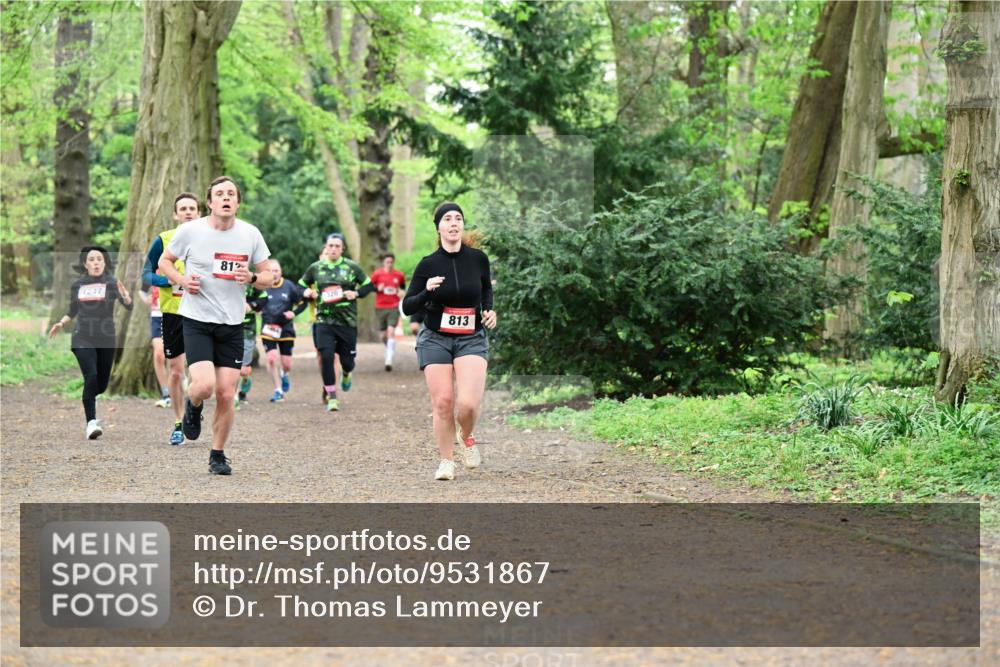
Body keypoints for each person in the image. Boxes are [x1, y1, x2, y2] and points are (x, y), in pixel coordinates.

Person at [158, 176, 273, 475]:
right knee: (205, 386)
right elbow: (164, 263)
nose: (226, 198)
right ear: (209, 202)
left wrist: (250, 277)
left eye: (231, 193)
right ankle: (193, 406)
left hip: (232, 324)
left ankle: (218, 454)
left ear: (237, 201)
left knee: (225, 392)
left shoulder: (250, 234)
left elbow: (270, 275)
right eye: (219, 193)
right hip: (196, 320)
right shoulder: (190, 231)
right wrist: (182, 280)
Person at [402, 202, 496, 481]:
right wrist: (427, 292)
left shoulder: (478, 259)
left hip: (471, 338)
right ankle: (446, 461)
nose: (453, 223)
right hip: (435, 338)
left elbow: (486, 289)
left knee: (468, 404)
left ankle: (465, 436)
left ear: (462, 225)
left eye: (458, 218)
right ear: (439, 227)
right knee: (443, 402)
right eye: (447, 219)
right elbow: (408, 306)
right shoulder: (428, 264)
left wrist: (489, 311)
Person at [49, 246, 133, 439]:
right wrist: (61, 323)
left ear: (105, 263)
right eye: (92, 259)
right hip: (82, 336)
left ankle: (91, 401)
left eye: (99, 259)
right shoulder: (77, 285)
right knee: (91, 376)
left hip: (106, 337)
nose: (96, 263)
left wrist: (126, 296)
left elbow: (128, 306)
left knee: (101, 385)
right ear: (85, 264)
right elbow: (72, 310)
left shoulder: (112, 283)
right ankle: (91, 423)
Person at [142, 192, 201, 445]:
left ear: (199, 213)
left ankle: (195, 406)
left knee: (200, 375)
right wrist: (168, 280)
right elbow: (145, 275)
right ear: (175, 214)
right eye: (183, 209)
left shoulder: (209, 239)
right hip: (173, 314)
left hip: (202, 313)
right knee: (176, 372)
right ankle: (178, 422)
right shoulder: (163, 240)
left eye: (192, 208)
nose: (188, 212)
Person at [299, 233, 374, 412]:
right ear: (326, 247)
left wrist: (355, 293)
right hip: (324, 320)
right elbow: (301, 285)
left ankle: (347, 374)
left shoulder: (351, 267)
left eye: (336, 246)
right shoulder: (316, 268)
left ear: (342, 249)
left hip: (347, 322)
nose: (333, 249)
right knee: (326, 357)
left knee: (347, 361)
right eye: (330, 245)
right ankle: (332, 396)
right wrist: (308, 293)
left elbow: (368, 286)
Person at [259, 259, 307, 401]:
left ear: (281, 272)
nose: (274, 274)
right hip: (268, 328)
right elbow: (252, 299)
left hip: (286, 329)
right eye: (271, 271)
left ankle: (284, 374)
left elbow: (303, 302)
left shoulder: (289, 286)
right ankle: (278, 390)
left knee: (286, 364)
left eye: (276, 271)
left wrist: (294, 313)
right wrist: (257, 308)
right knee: (272, 358)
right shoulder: (262, 286)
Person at [370, 253, 407, 371]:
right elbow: (369, 286)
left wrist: (402, 292)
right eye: (387, 262)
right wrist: (377, 289)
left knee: (391, 331)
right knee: (383, 335)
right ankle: (388, 349)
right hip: (380, 306)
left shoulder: (399, 275)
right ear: (383, 263)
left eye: (391, 262)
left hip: (393, 306)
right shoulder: (377, 274)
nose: (389, 264)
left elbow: (403, 287)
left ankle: (389, 359)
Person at [235, 282, 268, 410]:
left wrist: (252, 305)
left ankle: (246, 380)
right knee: (233, 365)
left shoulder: (250, 281)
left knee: (243, 370)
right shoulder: (224, 279)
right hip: (229, 327)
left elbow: (264, 297)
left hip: (248, 330)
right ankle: (235, 397)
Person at [138, 286, 171, 407]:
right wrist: (146, 298)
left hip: (177, 313)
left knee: (175, 356)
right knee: (159, 354)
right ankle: (166, 394)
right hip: (157, 315)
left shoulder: (182, 266)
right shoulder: (151, 267)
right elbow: (142, 289)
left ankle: (178, 388)